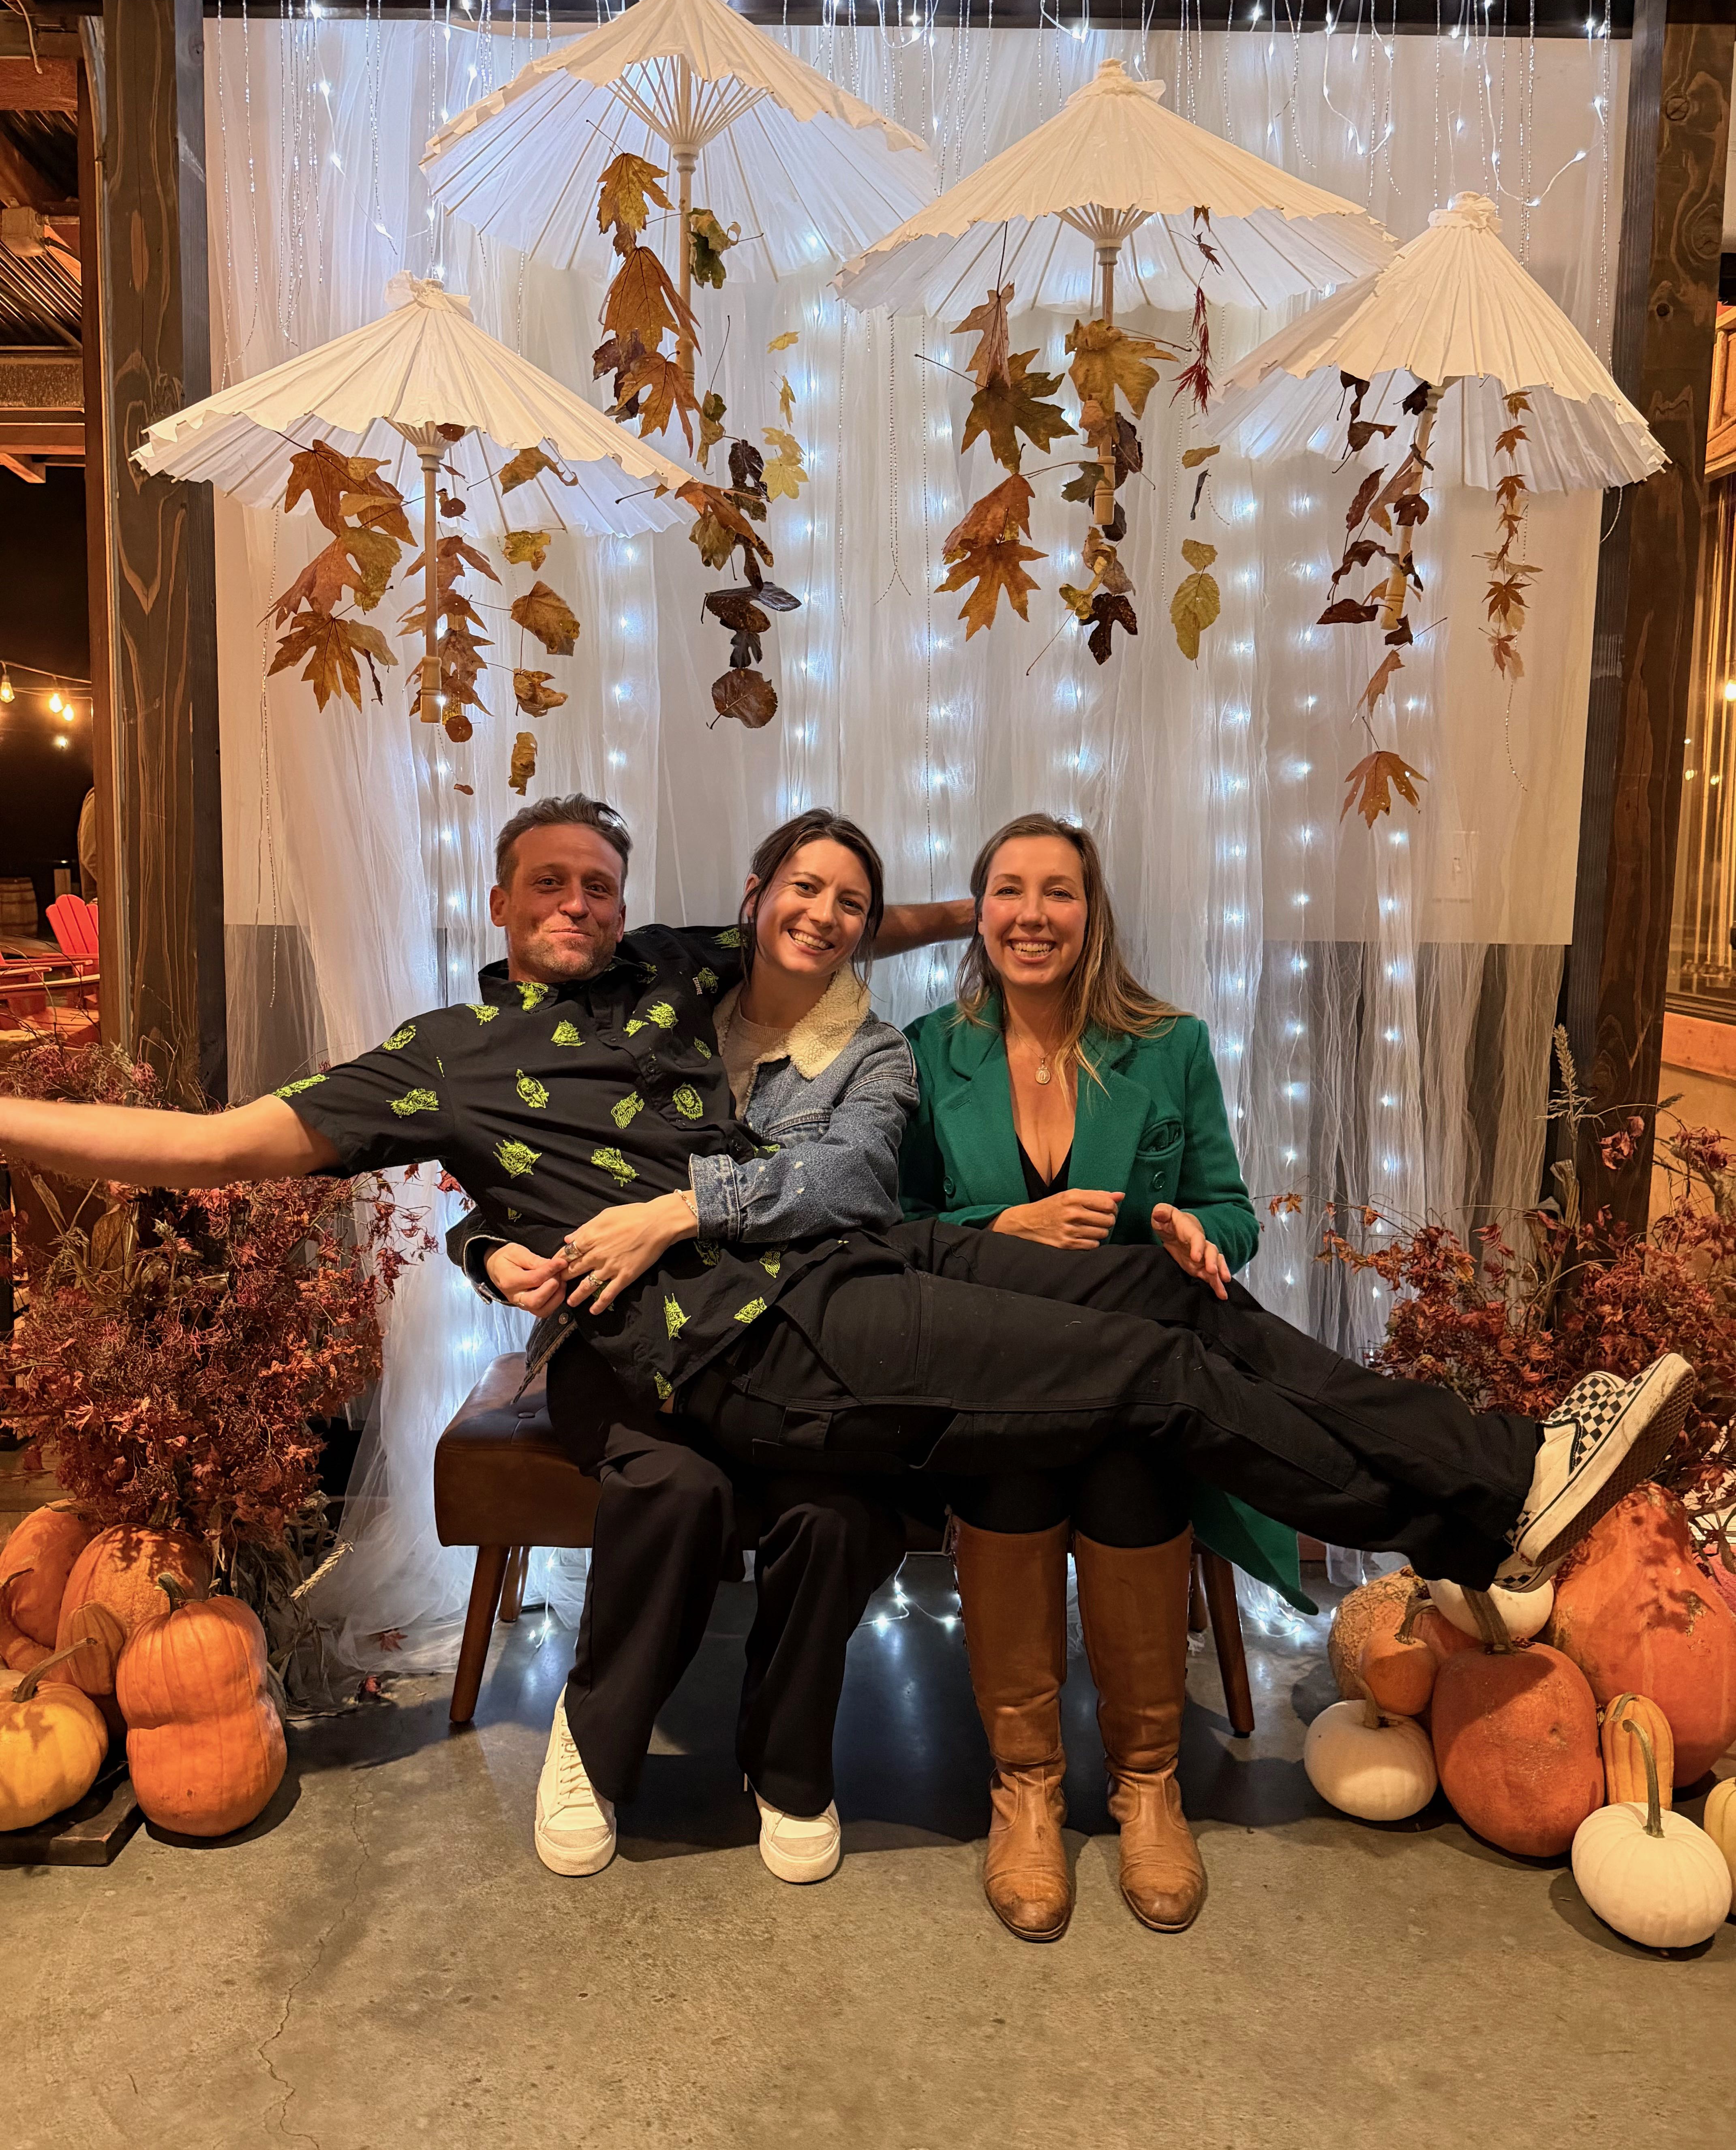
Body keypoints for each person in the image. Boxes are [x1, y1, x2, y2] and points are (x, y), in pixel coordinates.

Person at [0, 790, 1692, 1914]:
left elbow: (826, 931)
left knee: (1174, 1300)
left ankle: (1501, 1476)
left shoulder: (665, 977)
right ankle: (1466, 1520)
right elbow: (215, 1146)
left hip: (834, 1268)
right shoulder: (440, 1057)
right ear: (502, 903)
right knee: (1156, 1386)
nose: (587, 904)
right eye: (555, 885)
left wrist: (992, 902)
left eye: (604, 879)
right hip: (746, 1344)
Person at [451, 804, 957, 1885]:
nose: (821, 915)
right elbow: (522, 1153)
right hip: (623, 1350)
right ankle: (592, 1745)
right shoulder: (654, 999)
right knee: (673, 1485)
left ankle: (786, 1760)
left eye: (851, 904)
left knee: (837, 1513)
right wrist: (486, 1244)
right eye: (801, 888)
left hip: (792, 1345)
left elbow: (854, 1177)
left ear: (869, 928)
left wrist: (684, 1208)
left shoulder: (875, 1056)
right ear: (753, 898)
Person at [900, 813, 1304, 1940]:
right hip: (994, 1362)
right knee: (1011, 1481)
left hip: (1132, 1360)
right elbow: (898, 1225)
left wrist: (1193, 1231)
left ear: (1093, 911)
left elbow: (1229, 1207)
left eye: (1059, 892)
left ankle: (1145, 1783)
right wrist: (1007, 1225)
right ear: (978, 914)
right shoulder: (930, 1049)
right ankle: (1024, 1786)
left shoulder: (1168, 1042)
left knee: (1135, 1477)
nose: (1034, 915)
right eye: (1011, 891)